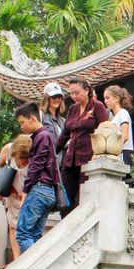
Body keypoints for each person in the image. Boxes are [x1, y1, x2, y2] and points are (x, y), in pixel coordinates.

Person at [57, 77, 109, 215]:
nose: (74, 96)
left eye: (77, 93)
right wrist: (51, 151)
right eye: (72, 93)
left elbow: (105, 131)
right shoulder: (73, 109)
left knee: (83, 199)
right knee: (65, 198)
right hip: (70, 160)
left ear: (87, 90)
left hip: (88, 159)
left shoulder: (98, 107)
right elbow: (65, 134)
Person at [16, 101, 59, 253]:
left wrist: (25, 190)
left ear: (33, 119)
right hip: (48, 192)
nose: (22, 127)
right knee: (34, 235)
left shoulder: (41, 136)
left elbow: (36, 165)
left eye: (23, 122)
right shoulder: (47, 136)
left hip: (39, 189)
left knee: (23, 233)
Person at [0, 134, 32, 260]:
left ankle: (25, 257)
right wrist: (1, 188)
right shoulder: (8, 149)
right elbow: (0, 166)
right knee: (12, 226)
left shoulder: (32, 156)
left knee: (23, 227)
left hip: (26, 194)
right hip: (11, 193)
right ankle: (16, 257)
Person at [103, 84, 134, 168]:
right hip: (116, 153)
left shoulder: (123, 113)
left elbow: (125, 136)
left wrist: (112, 148)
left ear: (117, 98)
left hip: (122, 153)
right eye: (104, 98)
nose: (105, 101)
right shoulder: (114, 118)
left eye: (108, 98)